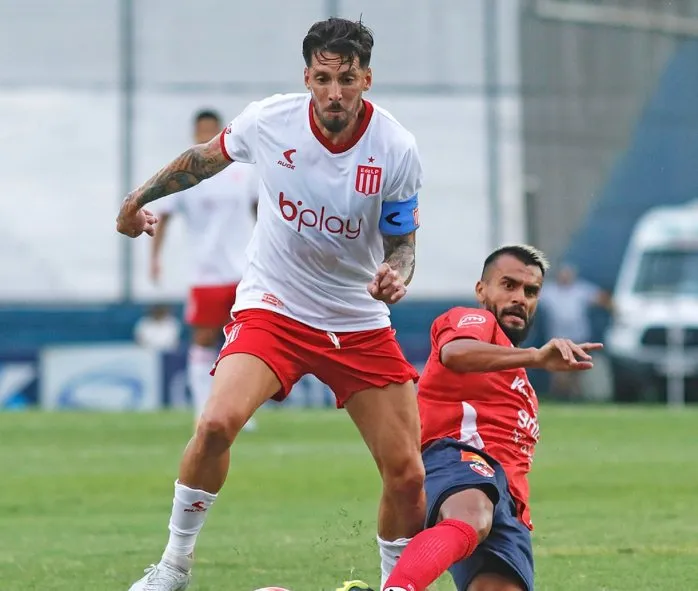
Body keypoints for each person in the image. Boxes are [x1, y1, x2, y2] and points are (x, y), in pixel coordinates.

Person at [116, 17, 426, 591]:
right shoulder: (271, 121)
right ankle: (173, 568)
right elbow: (202, 159)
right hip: (274, 306)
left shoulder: (397, 148)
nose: (336, 93)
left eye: (348, 79)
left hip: (356, 319)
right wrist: (138, 198)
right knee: (214, 424)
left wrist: (396, 274)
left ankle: (394, 586)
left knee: (407, 473)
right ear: (307, 76)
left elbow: (402, 240)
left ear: (367, 80)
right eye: (324, 78)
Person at [381, 245, 603, 591]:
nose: (520, 298)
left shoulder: (522, 384)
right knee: (473, 512)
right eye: (508, 285)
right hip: (456, 459)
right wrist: (536, 356)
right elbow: (455, 353)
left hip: (507, 504)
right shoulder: (474, 321)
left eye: (530, 291)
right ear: (482, 290)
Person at [150, 109, 258, 424]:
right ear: (193, 133)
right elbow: (164, 216)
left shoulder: (243, 171)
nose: (205, 136)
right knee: (203, 339)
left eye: (211, 130)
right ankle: (203, 408)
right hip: (205, 272)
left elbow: (261, 212)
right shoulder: (184, 175)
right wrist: (155, 258)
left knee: (244, 340)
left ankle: (241, 410)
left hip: (244, 271)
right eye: (200, 131)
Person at [540, 263, 612, 399]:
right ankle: (558, 399)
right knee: (560, 372)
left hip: (579, 339)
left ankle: (576, 398)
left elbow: (602, 299)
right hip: (559, 341)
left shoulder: (581, 290)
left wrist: (616, 311)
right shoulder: (549, 292)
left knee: (578, 371)